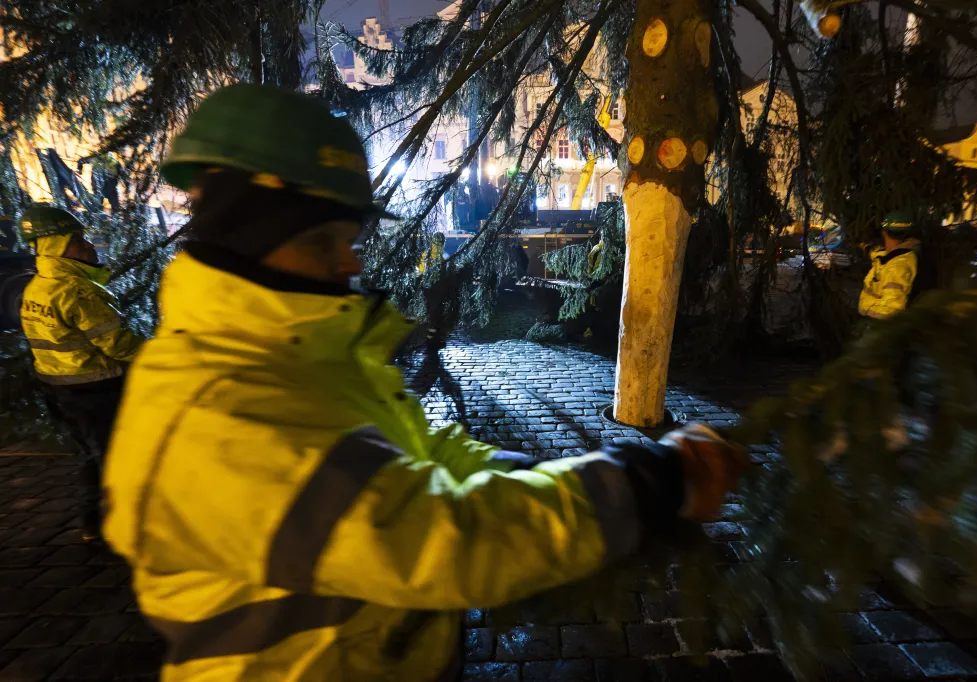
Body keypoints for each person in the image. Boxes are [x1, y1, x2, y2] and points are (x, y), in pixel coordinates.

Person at [102, 83, 747, 682]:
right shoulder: (218, 412)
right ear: (255, 229)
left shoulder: (300, 357)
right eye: (326, 240)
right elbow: (442, 539)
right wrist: (646, 483)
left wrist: (525, 470)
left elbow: (416, 455)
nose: (350, 261)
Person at [18, 204, 143, 540]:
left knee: (91, 455)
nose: (88, 246)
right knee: (116, 458)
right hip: (97, 391)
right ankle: (126, 526)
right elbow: (119, 345)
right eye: (77, 241)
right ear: (55, 247)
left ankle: (92, 522)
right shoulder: (79, 291)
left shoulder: (37, 288)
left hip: (58, 390)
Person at [858, 210, 920, 322]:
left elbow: (892, 309)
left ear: (884, 233)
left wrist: (872, 326)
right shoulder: (891, 255)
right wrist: (865, 247)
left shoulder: (898, 267)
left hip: (876, 325)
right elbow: (877, 254)